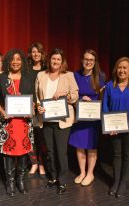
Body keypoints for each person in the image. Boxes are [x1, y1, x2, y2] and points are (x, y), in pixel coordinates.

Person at [0, 49, 35, 197]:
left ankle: (20, 180)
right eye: (13, 59)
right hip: (7, 122)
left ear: (22, 61)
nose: (15, 62)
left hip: (24, 122)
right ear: (8, 61)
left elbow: (33, 99)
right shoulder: (1, 78)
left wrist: (32, 109)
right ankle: (10, 181)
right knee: (9, 152)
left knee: (23, 152)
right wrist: (3, 112)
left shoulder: (29, 77)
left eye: (18, 59)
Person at [36, 48, 79, 195]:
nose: (55, 61)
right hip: (46, 119)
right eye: (53, 59)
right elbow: (37, 96)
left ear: (62, 62)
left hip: (63, 120)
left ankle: (62, 180)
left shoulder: (68, 75)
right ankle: (53, 177)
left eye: (58, 59)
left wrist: (65, 95)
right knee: (50, 151)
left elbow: (75, 96)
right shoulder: (41, 75)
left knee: (61, 152)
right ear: (49, 60)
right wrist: (38, 106)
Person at [102, 57, 129, 198]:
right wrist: (108, 126)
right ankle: (116, 181)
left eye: (125, 68)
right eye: (119, 67)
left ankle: (124, 182)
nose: (122, 70)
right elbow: (105, 107)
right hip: (114, 127)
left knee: (128, 155)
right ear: (116, 70)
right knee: (116, 155)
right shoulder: (109, 86)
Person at [69, 49, 105, 186]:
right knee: (79, 146)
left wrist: (93, 102)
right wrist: (79, 99)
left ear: (94, 62)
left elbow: (103, 98)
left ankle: (90, 173)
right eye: (86, 59)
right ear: (81, 60)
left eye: (91, 59)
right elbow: (71, 95)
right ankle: (82, 172)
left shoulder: (100, 77)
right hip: (79, 117)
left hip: (93, 118)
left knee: (91, 146)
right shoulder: (75, 75)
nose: (88, 62)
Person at [27, 42, 47, 178]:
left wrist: (40, 104)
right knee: (31, 137)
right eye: (34, 51)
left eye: (38, 51)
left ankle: (42, 163)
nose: (36, 54)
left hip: (44, 108)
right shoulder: (26, 69)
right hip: (30, 107)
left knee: (43, 138)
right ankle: (33, 162)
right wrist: (33, 104)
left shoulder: (46, 68)